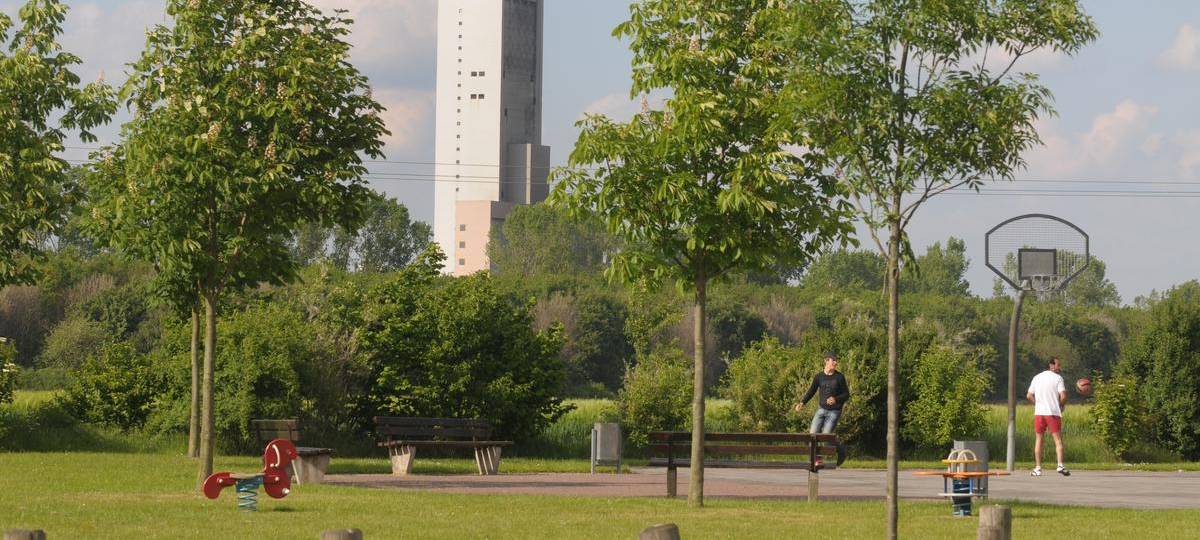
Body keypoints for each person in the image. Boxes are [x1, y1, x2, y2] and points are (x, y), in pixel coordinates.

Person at [794, 352, 850, 466]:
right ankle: (817, 460)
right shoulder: (819, 377)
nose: (835, 362)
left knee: (825, 436)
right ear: (826, 361)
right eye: (833, 360)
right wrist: (802, 402)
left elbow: (846, 395)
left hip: (834, 411)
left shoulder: (839, 377)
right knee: (812, 435)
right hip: (821, 409)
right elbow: (811, 391)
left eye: (836, 360)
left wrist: (836, 399)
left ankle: (841, 451)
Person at [1027, 356, 1070, 477]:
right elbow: (1063, 396)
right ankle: (1060, 465)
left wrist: (1037, 404)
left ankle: (1038, 468)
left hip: (1039, 413)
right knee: (1058, 440)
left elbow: (1029, 395)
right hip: (1052, 412)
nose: (1059, 367)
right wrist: (1061, 405)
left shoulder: (1037, 377)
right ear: (1051, 365)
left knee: (1039, 440)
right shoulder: (1058, 378)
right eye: (1057, 365)